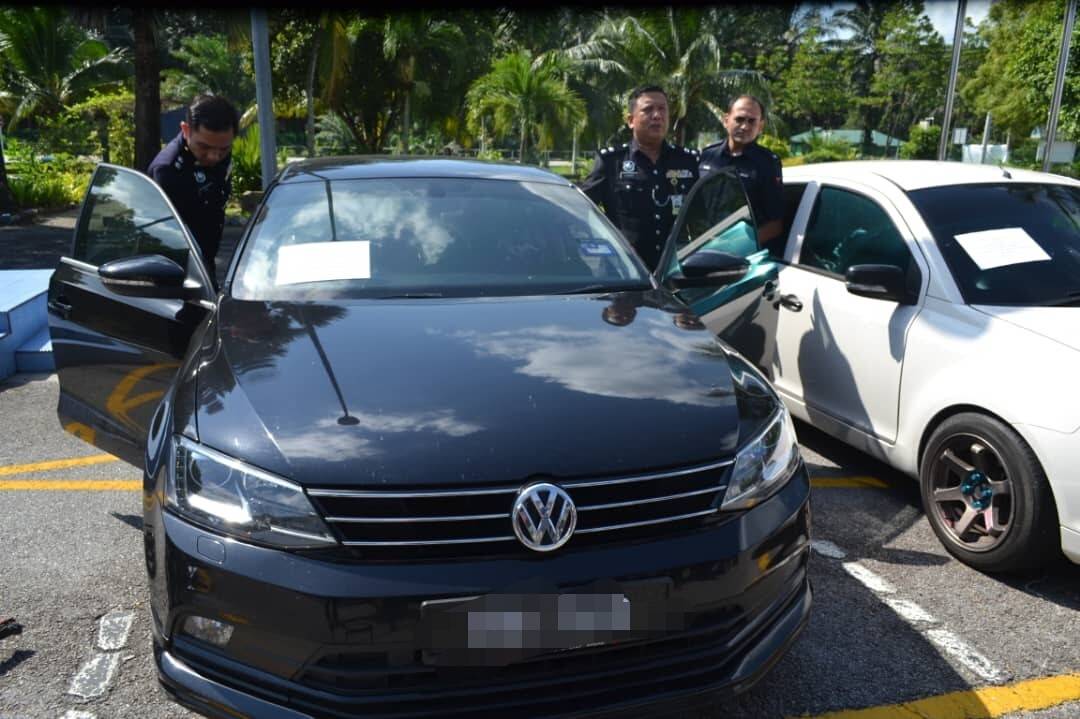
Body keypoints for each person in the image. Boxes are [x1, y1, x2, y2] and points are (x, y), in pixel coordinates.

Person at [581, 85, 699, 271]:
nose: (657, 116)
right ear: (631, 120)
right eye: (648, 109)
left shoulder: (688, 161)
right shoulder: (612, 162)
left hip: (676, 270)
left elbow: (701, 218)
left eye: (662, 109)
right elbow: (580, 207)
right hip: (624, 271)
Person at [147, 95, 239, 286]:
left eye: (223, 149)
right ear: (185, 130)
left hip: (207, 262)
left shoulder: (219, 154)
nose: (214, 156)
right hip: (179, 273)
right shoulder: (168, 170)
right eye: (204, 147)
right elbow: (168, 240)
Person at [699, 95, 784, 251]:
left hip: (742, 257)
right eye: (739, 119)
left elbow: (775, 225)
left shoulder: (767, 164)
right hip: (700, 250)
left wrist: (736, 246)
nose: (744, 126)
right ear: (726, 120)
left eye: (752, 121)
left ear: (760, 126)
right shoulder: (707, 157)